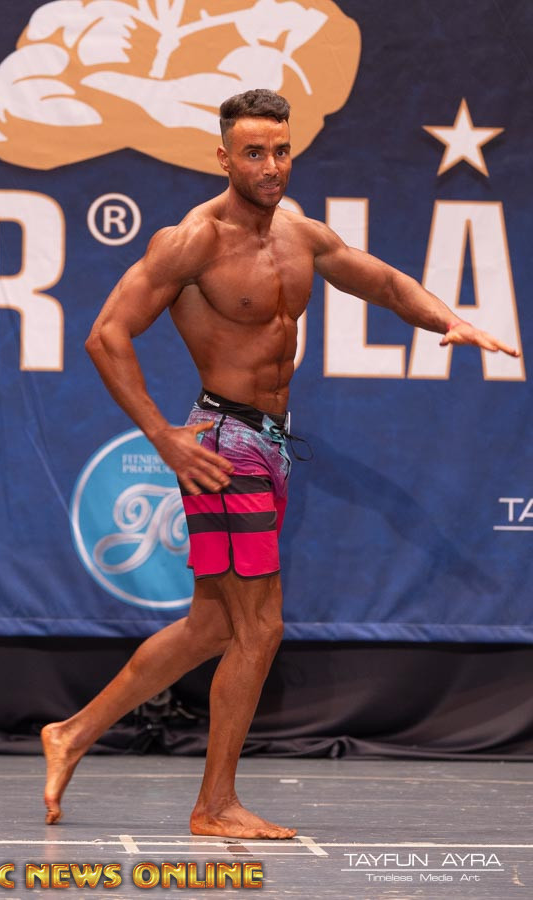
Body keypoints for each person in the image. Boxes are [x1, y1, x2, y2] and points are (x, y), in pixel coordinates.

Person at [41, 89, 519, 839]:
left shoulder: (300, 235)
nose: (271, 165)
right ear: (224, 157)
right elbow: (106, 336)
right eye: (254, 152)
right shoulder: (192, 240)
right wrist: (163, 436)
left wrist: (449, 319)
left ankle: (70, 733)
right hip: (225, 445)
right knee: (260, 629)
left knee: (210, 626)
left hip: (270, 442)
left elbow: (384, 282)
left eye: (282, 150)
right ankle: (214, 806)